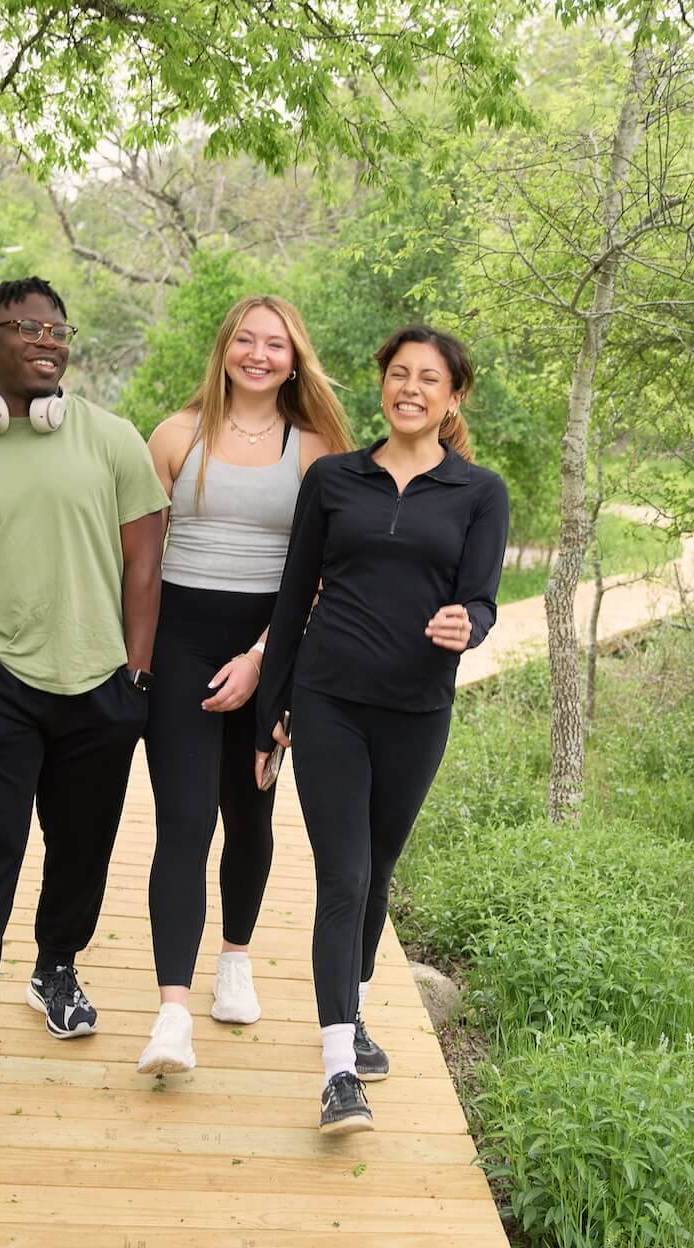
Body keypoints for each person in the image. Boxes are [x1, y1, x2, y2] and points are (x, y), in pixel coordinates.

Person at [0, 276, 170, 1114]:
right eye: (28, 328)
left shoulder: (113, 440)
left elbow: (145, 563)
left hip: (100, 684)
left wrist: (136, 672)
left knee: (81, 850)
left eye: (58, 330)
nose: (48, 341)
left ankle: (56, 966)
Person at [252, 325, 509, 1134]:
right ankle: (338, 1070)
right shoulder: (334, 479)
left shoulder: (480, 492)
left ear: (453, 397)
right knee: (344, 875)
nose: (411, 388)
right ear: (382, 384)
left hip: (417, 710)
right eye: (399, 373)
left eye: (429, 378)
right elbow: (293, 596)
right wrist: (271, 713)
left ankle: (354, 1010)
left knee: (379, 869)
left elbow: (482, 599)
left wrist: (468, 624)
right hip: (328, 699)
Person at [134, 295, 351, 1076]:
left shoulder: (315, 450)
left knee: (249, 814)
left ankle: (234, 959)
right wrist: (137, 661)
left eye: (276, 344)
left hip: (273, 651)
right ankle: (171, 1016)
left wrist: (263, 658)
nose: (259, 355)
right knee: (183, 823)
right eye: (246, 340)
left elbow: (323, 573)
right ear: (224, 347)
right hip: (180, 649)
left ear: (295, 360)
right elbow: (141, 563)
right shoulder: (174, 436)